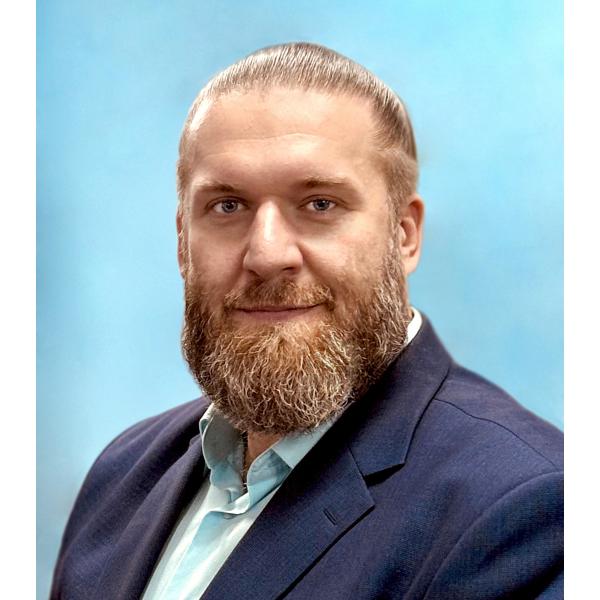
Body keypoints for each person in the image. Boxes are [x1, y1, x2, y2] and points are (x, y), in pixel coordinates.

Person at [50, 42, 563, 600]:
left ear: (404, 235)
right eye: (227, 206)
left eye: (320, 204)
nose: (267, 254)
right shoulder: (120, 477)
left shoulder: (528, 508)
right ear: (182, 241)